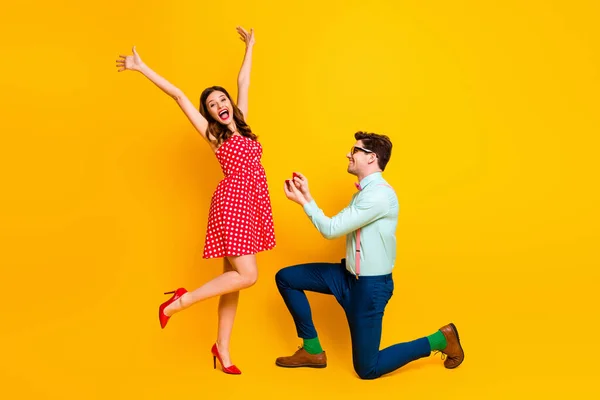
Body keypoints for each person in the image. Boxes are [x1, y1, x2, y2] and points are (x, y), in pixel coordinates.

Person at [116, 27, 275, 375]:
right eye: (212, 105)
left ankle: (224, 350)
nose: (219, 106)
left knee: (232, 284)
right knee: (247, 275)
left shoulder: (243, 123)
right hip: (232, 206)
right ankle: (180, 301)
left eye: (222, 101)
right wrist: (142, 68)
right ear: (208, 112)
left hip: (251, 207)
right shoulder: (213, 135)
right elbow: (178, 96)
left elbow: (243, 82)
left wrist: (250, 47)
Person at [277, 131, 464, 379]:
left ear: (371, 157)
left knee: (367, 369)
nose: (348, 154)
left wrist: (304, 203)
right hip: (346, 276)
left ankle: (441, 339)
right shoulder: (364, 193)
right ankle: (312, 350)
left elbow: (331, 229)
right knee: (287, 278)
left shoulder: (378, 196)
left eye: (354, 150)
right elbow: (337, 223)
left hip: (369, 288)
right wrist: (306, 197)